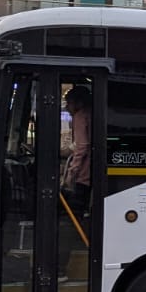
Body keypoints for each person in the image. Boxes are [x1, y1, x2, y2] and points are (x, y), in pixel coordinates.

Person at [61, 86, 92, 216]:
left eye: (69, 103)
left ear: (79, 103)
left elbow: (82, 146)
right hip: (92, 172)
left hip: (84, 174)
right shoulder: (92, 113)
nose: (67, 107)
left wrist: (71, 173)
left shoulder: (80, 116)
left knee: (74, 209)